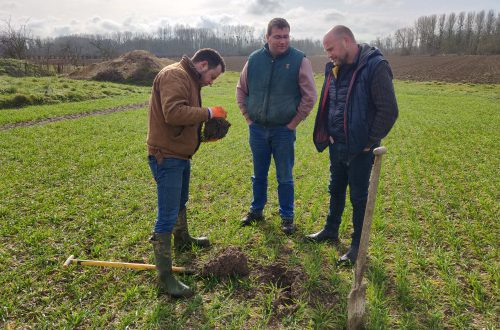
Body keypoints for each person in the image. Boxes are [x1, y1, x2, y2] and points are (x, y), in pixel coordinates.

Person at [307, 25, 398, 265]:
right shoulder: (335, 68)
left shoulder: (375, 66)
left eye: (330, 48)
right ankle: (330, 230)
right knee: (335, 189)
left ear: (346, 41)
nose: (329, 54)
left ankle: (357, 246)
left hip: (360, 149)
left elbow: (388, 110)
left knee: (358, 198)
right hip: (337, 145)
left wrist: (368, 143)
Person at [147, 48, 227, 297]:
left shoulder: (190, 79)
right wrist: (209, 113)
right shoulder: (175, 75)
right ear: (202, 64)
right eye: (212, 76)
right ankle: (165, 276)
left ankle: (182, 238)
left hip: (180, 154)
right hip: (166, 155)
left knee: (181, 202)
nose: (211, 83)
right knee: (167, 213)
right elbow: (173, 113)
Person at [236, 18, 317, 234]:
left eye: (286, 36)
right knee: (258, 174)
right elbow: (241, 89)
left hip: (283, 130)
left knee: (285, 176)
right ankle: (256, 211)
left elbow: (309, 97)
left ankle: (287, 217)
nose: (283, 41)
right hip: (257, 129)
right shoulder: (253, 60)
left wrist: (293, 123)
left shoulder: (300, 60)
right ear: (267, 37)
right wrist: (248, 118)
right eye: (278, 36)